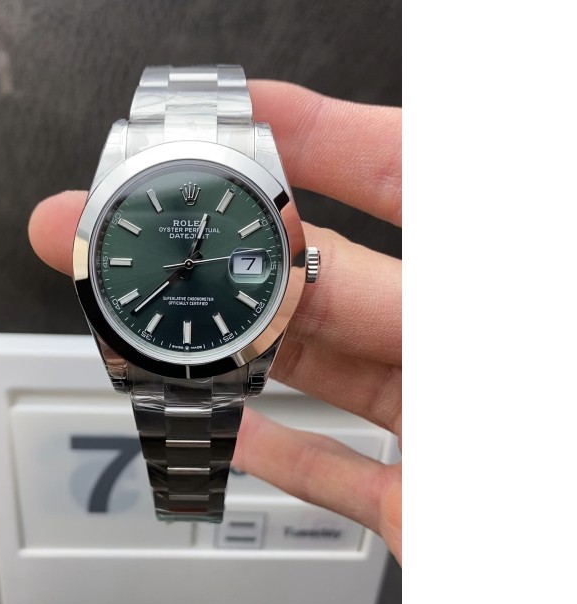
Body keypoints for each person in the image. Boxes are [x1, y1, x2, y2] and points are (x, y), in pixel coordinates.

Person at [28, 79, 402, 563]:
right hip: (189, 336)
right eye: (184, 264)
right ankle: (183, 508)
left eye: (190, 263)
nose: (187, 266)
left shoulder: (261, 235)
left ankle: (185, 511)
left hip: (205, 338)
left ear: (304, 267)